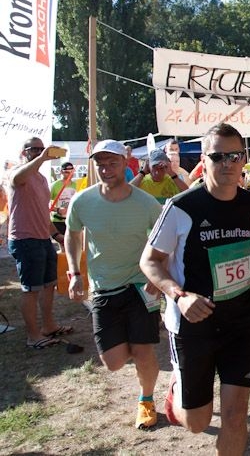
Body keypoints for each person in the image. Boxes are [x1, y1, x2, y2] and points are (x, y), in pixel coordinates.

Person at [139, 123, 250, 456]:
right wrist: (179, 295)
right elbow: (150, 261)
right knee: (197, 422)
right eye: (218, 156)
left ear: (244, 159)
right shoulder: (181, 207)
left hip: (240, 320)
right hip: (193, 324)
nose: (227, 163)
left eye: (234, 156)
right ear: (204, 160)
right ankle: (177, 387)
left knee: (236, 415)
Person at [64, 139, 163, 429]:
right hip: (104, 288)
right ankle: (133, 343)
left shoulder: (146, 203)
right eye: (101, 164)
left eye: (112, 163)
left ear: (125, 164)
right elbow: (72, 234)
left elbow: (165, 239)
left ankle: (146, 400)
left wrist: (158, 276)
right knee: (113, 362)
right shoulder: (83, 201)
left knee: (143, 351)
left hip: (140, 287)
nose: (106, 169)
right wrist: (74, 272)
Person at [8, 137, 72, 349]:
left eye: (41, 149)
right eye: (33, 149)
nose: (38, 152)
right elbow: (17, 179)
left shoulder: (42, 179)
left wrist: (58, 236)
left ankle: (48, 326)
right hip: (25, 239)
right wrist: (42, 158)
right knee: (31, 289)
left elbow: (43, 213)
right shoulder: (17, 172)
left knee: (49, 284)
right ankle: (33, 336)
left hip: (43, 239)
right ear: (24, 152)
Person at [49, 162, 77, 237]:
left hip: (72, 220)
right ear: (61, 172)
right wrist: (58, 210)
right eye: (67, 172)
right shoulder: (54, 185)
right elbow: (45, 203)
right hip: (58, 221)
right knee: (62, 242)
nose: (70, 174)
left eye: (72, 172)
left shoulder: (76, 185)